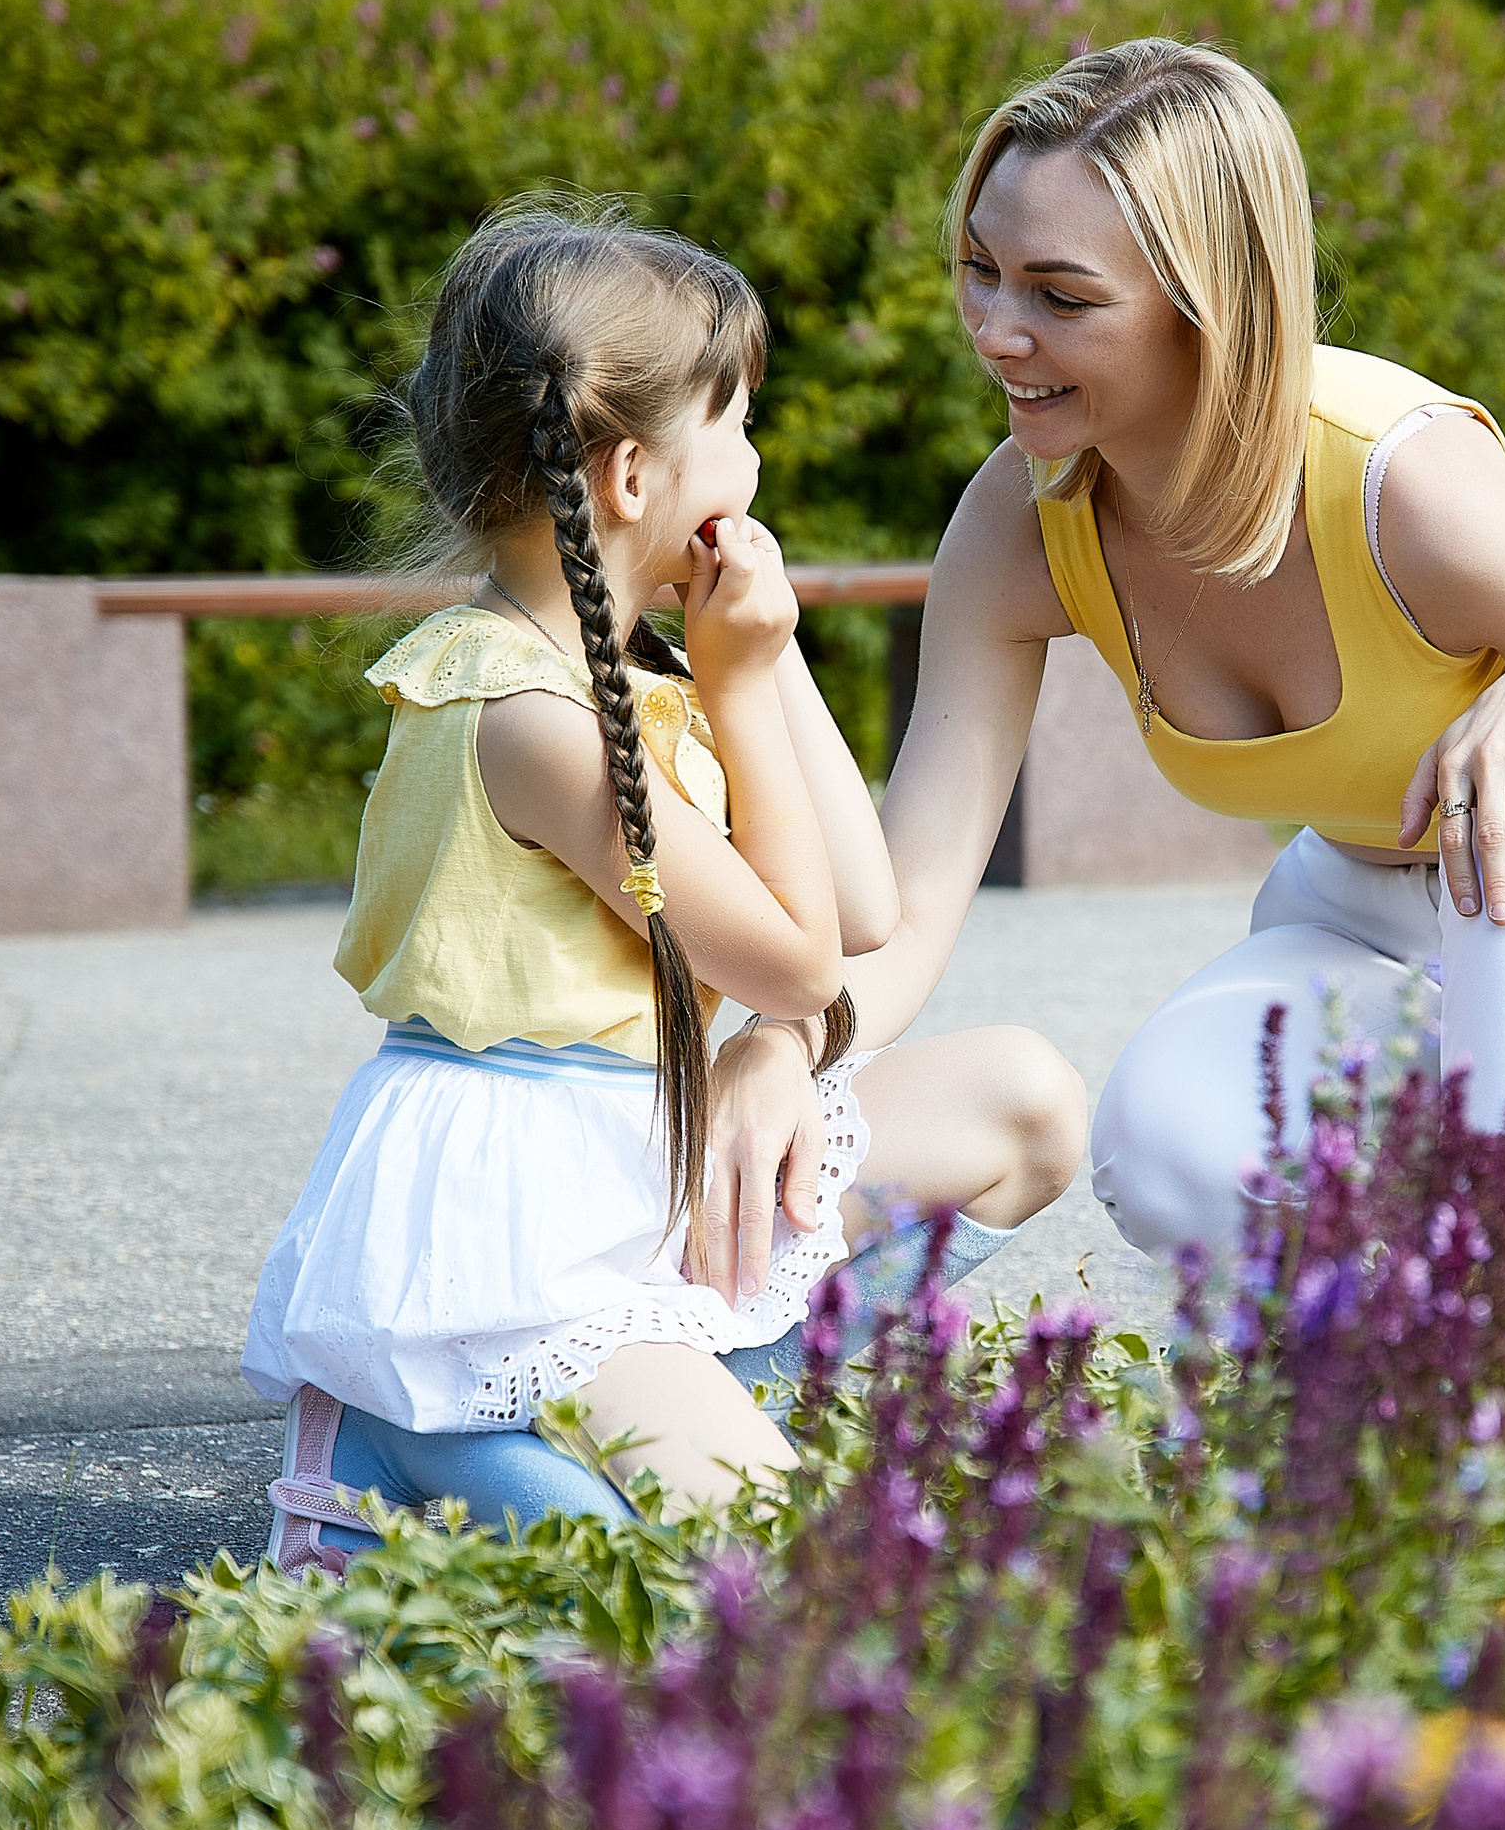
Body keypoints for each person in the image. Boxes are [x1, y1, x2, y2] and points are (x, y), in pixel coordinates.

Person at [704, 39, 1505, 1282]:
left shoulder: (1398, 480)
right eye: (980, 271)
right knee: (1168, 1139)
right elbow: (907, 906)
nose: (997, 332)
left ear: (1215, 301)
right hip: (1389, 925)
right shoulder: (1019, 522)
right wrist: (778, 1042)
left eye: (1061, 296)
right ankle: (1424, 1320)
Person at [246, 200, 1083, 1573]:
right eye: (739, 425)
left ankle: (678, 1414)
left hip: (644, 1159)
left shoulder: (623, 678)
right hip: (533, 1240)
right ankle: (401, 1446)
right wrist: (742, 684)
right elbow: (803, 972)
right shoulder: (531, 717)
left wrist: (767, 654)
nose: (754, 461)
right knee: (798, 1571)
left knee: (1027, 1100)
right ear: (634, 477)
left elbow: (864, 906)